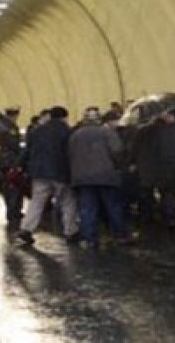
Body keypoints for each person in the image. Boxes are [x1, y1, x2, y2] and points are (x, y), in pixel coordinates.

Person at [15, 106, 80, 246]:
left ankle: (25, 230)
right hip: (60, 172)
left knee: (37, 202)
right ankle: (70, 231)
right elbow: (70, 153)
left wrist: (19, 165)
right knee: (67, 201)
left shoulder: (37, 131)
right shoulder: (67, 132)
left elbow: (27, 150)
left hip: (38, 173)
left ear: (50, 116)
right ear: (64, 117)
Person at [69, 106, 130, 248]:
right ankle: (120, 235)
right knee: (113, 206)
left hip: (82, 178)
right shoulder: (107, 132)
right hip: (106, 175)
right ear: (99, 119)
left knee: (87, 208)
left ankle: (89, 238)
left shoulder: (75, 135)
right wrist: (118, 167)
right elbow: (118, 151)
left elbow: (70, 155)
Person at [0, 107, 25, 229]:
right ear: (13, 115)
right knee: (13, 189)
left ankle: (13, 213)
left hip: (4, 162)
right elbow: (13, 145)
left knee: (9, 188)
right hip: (10, 162)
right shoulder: (10, 127)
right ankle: (13, 215)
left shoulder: (2, 125)